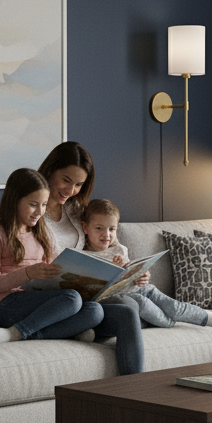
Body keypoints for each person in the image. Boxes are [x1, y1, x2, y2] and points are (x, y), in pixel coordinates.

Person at [38, 141, 145, 374]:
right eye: (66, 180)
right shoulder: (35, 212)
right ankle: (80, 329)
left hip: (89, 294)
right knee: (128, 305)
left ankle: (135, 393)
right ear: (49, 171)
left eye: (78, 184)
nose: (71, 190)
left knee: (129, 307)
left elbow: (109, 241)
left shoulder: (75, 210)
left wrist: (128, 267)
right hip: (59, 297)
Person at [81, 198, 212, 335]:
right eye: (99, 228)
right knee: (142, 304)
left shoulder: (120, 249)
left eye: (112, 229)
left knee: (173, 305)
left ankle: (211, 318)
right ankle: (169, 322)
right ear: (85, 227)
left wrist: (141, 276)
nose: (106, 235)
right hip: (123, 300)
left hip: (141, 290)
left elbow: (133, 273)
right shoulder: (82, 257)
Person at [0, 166, 103, 345]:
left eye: (44, 204)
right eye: (33, 204)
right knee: (72, 298)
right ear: (14, 201)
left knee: (95, 311)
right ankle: (21, 331)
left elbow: (51, 272)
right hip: (7, 306)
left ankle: (24, 333)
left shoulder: (42, 233)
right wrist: (28, 274)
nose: (40, 211)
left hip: (38, 302)